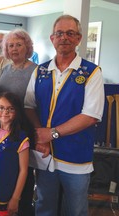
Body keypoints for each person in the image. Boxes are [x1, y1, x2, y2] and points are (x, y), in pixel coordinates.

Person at [24, 15, 105, 216]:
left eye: (70, 33)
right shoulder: (40, 71)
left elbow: (90, 116)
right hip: (45, 155)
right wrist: (39, 135)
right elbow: (28, 106)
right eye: (59, 33)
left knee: (75, 210)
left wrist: (50, 133)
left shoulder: (91, 72)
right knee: (44, 206)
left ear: (78, 38)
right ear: (52, 38)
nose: (64, 38)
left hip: (76, 158)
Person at [0, 28, 37, 216]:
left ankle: (23, 208)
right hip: (5, 128)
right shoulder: (5, 68)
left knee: (25, 172)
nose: (14, 48)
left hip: (24, 128)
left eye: (19, 45)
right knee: (8, 168)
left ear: (27, 47)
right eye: (10, 45)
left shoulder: (36, 70)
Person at [0, 92, 29, 216]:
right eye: (1, 108)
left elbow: (24, 170)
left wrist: (15, 198)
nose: (5, 112)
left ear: (17, 111)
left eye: (10, 109)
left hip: (6, 190)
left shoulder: (20, 138)